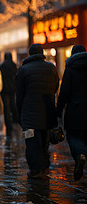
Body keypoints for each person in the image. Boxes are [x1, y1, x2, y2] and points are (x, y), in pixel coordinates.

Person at [16, 44, 59, 180]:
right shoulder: (51, 68)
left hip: (29, 115)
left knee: (31, 141)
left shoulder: (23, 70)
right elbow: (55, 86)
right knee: (44, 141)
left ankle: (35, 169)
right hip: (47, 112)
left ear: (30, 54)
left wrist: (19, 114)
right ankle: (44, 166)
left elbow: (19, 94)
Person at [56, 45, 87, 181]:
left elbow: (64, 93)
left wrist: (58, 109)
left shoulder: (70, 70)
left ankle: (80, 155)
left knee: (73, 136)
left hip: (75, 109)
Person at [0, 52, 19, 138]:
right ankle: (15, 120)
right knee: (13, 105)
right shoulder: (14, 66)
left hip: (4, 90)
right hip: (13, 89)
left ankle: (8, 125)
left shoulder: (1, 66)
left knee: (6, 108)